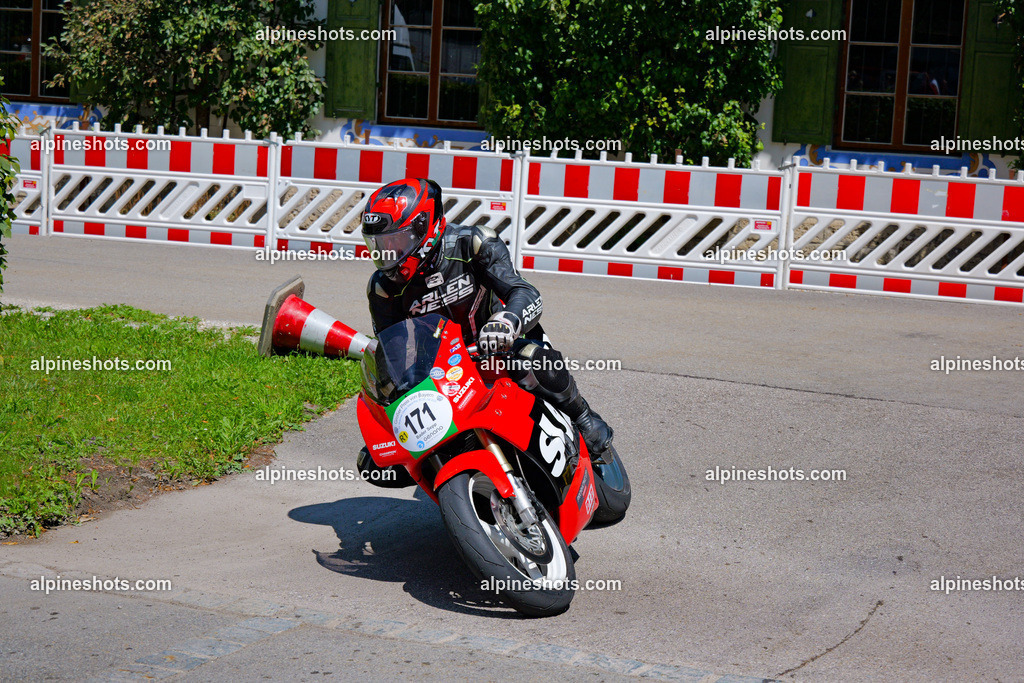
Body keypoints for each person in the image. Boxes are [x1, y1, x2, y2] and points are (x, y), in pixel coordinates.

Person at [356, 177, 614, 485]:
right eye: (380, 244)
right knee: (373, 461)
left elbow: (524, 290)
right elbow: (394, 350)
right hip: (445, 372)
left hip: (504, 344)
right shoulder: (383, 288)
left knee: (533, 360)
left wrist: (506, 321)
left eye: (396, 240)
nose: (388, 252)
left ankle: (583, 417)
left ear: (426, 228)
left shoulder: (474, 242)